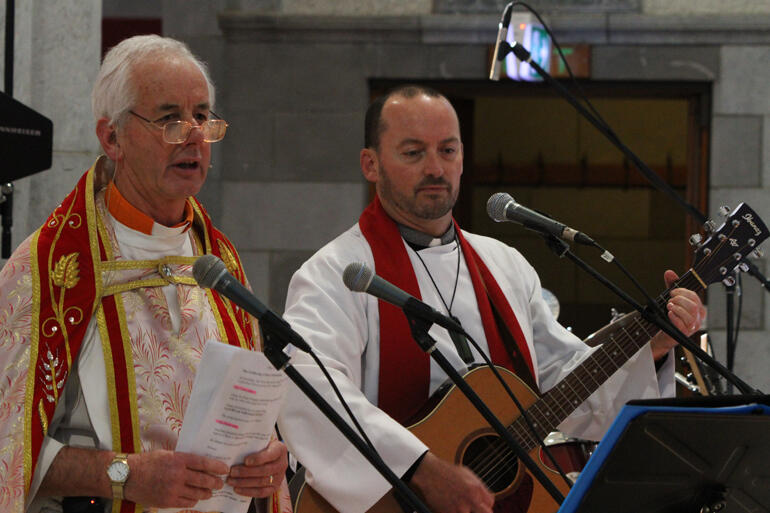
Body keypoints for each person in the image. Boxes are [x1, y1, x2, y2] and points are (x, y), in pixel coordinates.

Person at [276, 85, 705, 513]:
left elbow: (559, 378)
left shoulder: (503, 265)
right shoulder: (338, 273)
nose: (435, 168)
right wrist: (420, 470)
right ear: (371, 164)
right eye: (413, 153)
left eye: (448, 150)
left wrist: (651, 345)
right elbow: (308, 386)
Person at [0, 35, 292, 513]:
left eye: (202, 116)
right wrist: (122, 475)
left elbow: (249, 418)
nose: (195, 135)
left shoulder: (220, 264)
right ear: (111, 137)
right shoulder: (51, 271)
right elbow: (10, 445)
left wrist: (269, 460)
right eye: (170, 119)